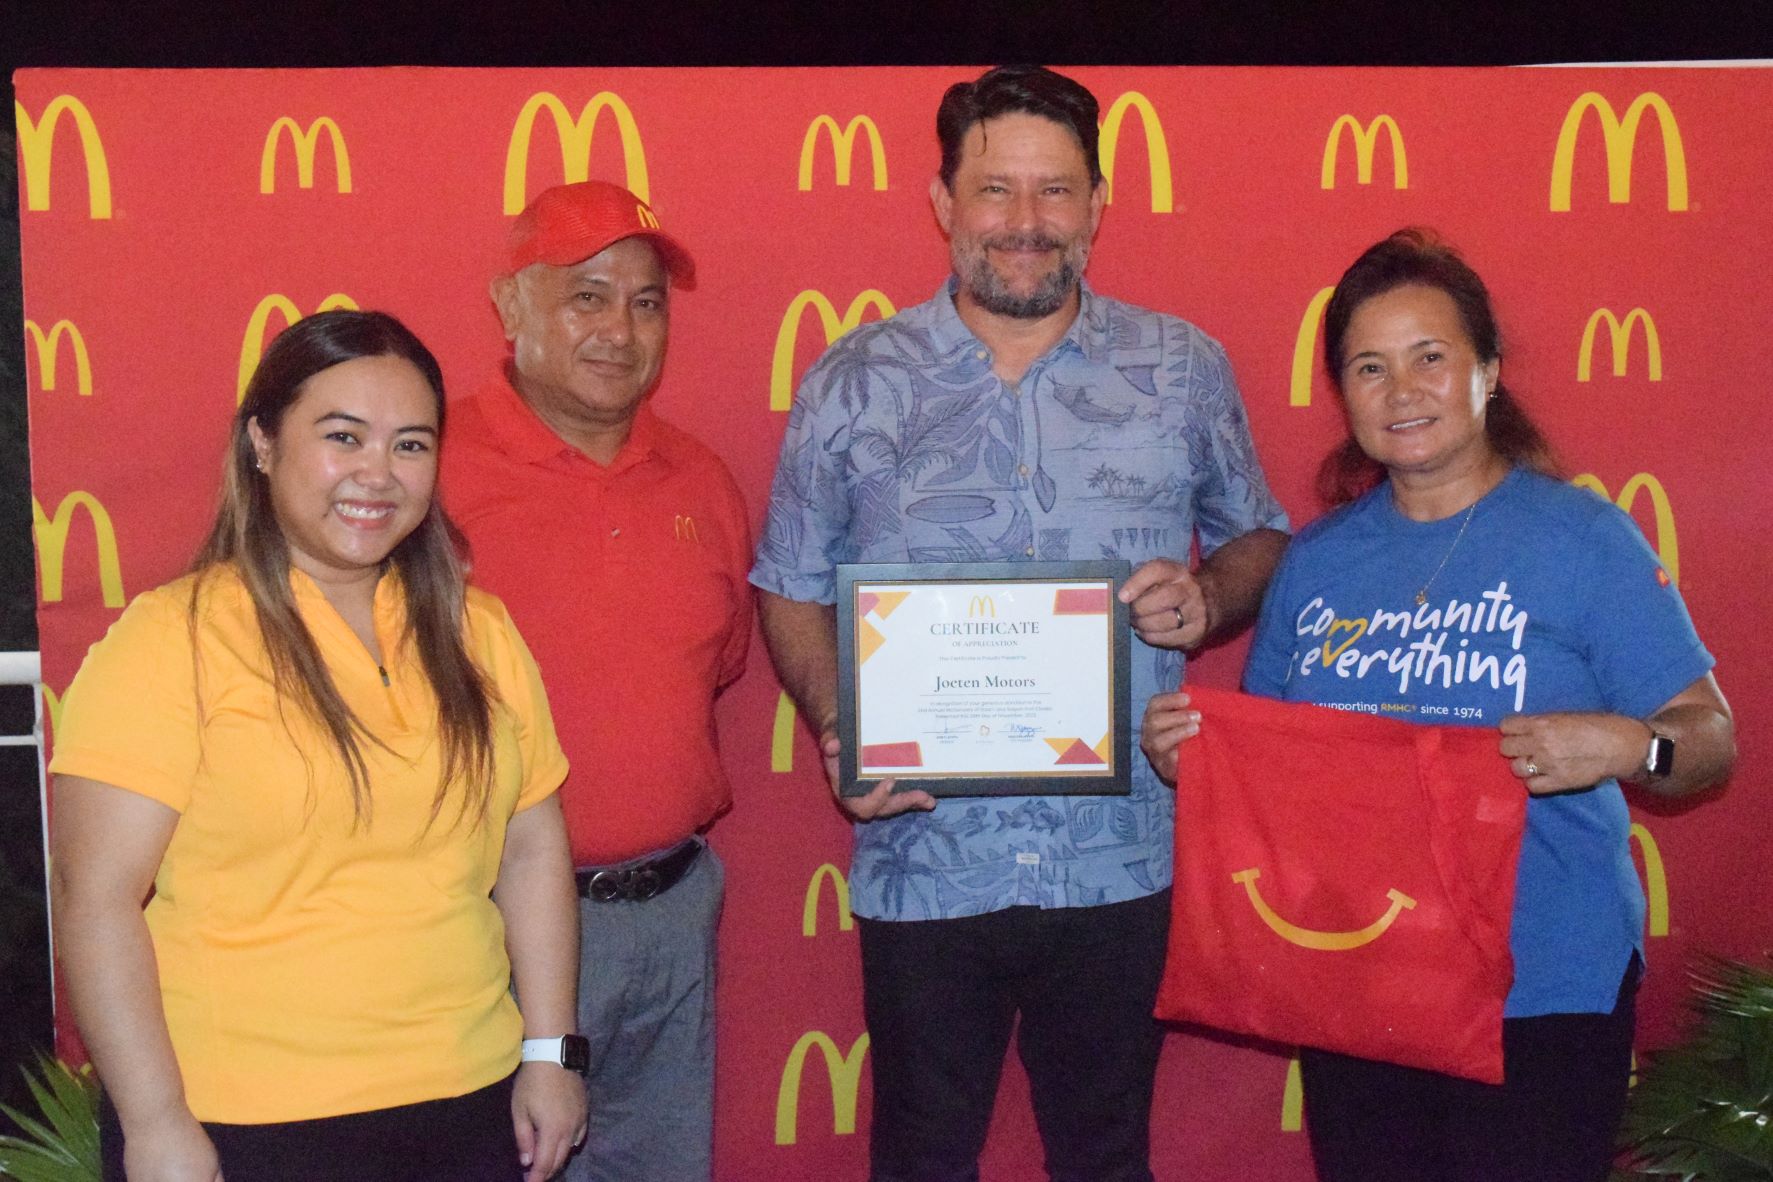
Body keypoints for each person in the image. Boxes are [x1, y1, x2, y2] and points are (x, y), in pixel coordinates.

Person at [753, 64, 1289, 1182]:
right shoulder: (853, 381)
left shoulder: (1183, 369)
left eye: (1056, 192)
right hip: (923, 852)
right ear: (944, 203)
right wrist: (833, 721)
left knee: (1106, 1157)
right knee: (920, 1158)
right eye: (997, 191)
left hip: (1122, 860)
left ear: (1098, 203)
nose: (1027, 223)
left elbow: (1257, 538)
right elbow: (791, 579)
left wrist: (1208, 599)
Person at [1142, 228, 1736, 1182]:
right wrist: (1201, 760)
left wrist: (1632, 746)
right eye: (1368, 367)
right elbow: (1284, 776)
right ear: (1343, 395)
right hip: (1360, 973)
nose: (1401, 389)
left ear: (1487, 370)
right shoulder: (1318, 562)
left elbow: (1709, 740)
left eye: (1430, 356)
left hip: (1541, 985)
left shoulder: (1583, 539)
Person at [49, 310, 587, 1182]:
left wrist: (551, 1051)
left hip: (470, 1095)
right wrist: (154, 1123)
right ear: (262, 443)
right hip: (244, 1116)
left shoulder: (476, 630)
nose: (377, 474)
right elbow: (94, 897)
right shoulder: (171, 638)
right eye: (344, 437)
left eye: (410, 446)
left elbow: (530, 848)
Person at [442, 180, 752, 1182]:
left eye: (646, 301)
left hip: (670, 913)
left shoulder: (703, 479)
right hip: (483, 930)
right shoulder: (428, 472)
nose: (619, 327)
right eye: (586, 295)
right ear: (509, 304)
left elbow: (719, 668)